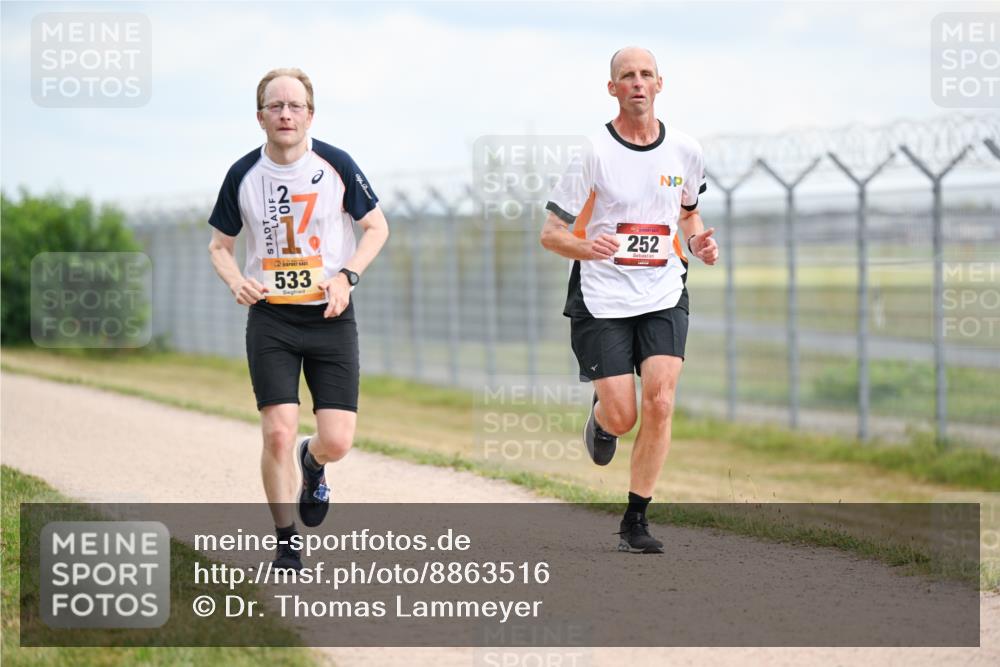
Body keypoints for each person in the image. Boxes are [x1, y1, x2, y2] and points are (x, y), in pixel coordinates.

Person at [208, 68, 389, 570]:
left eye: (294, 106)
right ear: (260, 116)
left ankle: (314, 464)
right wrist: (234, 279)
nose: (285, 114)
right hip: (272, 321)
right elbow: (220, 246)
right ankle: (286, 538)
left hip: (331, 317)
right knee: (277, 433)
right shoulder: (243, 174)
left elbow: (376, 228)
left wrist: (347, 276)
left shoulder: (336, 164)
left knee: (336, 440)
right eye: (274, 106)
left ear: (310, 114)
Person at [540, 47, 718, 554]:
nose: (637, 83)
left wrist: (701, 241)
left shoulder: (685, 149)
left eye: (645, 75)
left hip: (663, 290)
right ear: (612, 88)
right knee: (625, 417)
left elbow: (688, 214)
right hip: (602, 297)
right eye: (626, 76)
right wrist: (583, 244)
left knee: (661, 400)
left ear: (660, 83)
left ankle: (635, 520)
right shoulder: (592, 152)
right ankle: (602, 419)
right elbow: (550, 234)